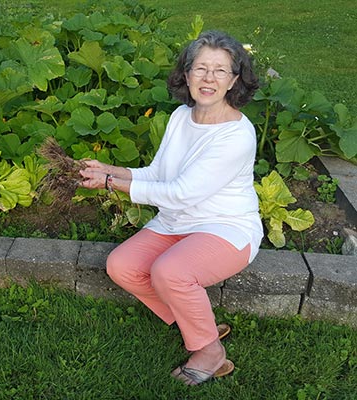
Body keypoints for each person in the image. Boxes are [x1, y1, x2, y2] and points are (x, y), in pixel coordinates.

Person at [79, 30, 263, 385]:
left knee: (170, 271)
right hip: (177, 222)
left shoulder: (237, 135)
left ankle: (210, 349)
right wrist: (110, 171)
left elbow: (181, 193)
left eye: (220, 71)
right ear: (187, 73)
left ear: (234, 81)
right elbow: (159, 173)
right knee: (122, 266)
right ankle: (198, 323)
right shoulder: (182, 116)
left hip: (226, 228)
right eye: (200, 68)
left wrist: (111, 186)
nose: (208, 78)